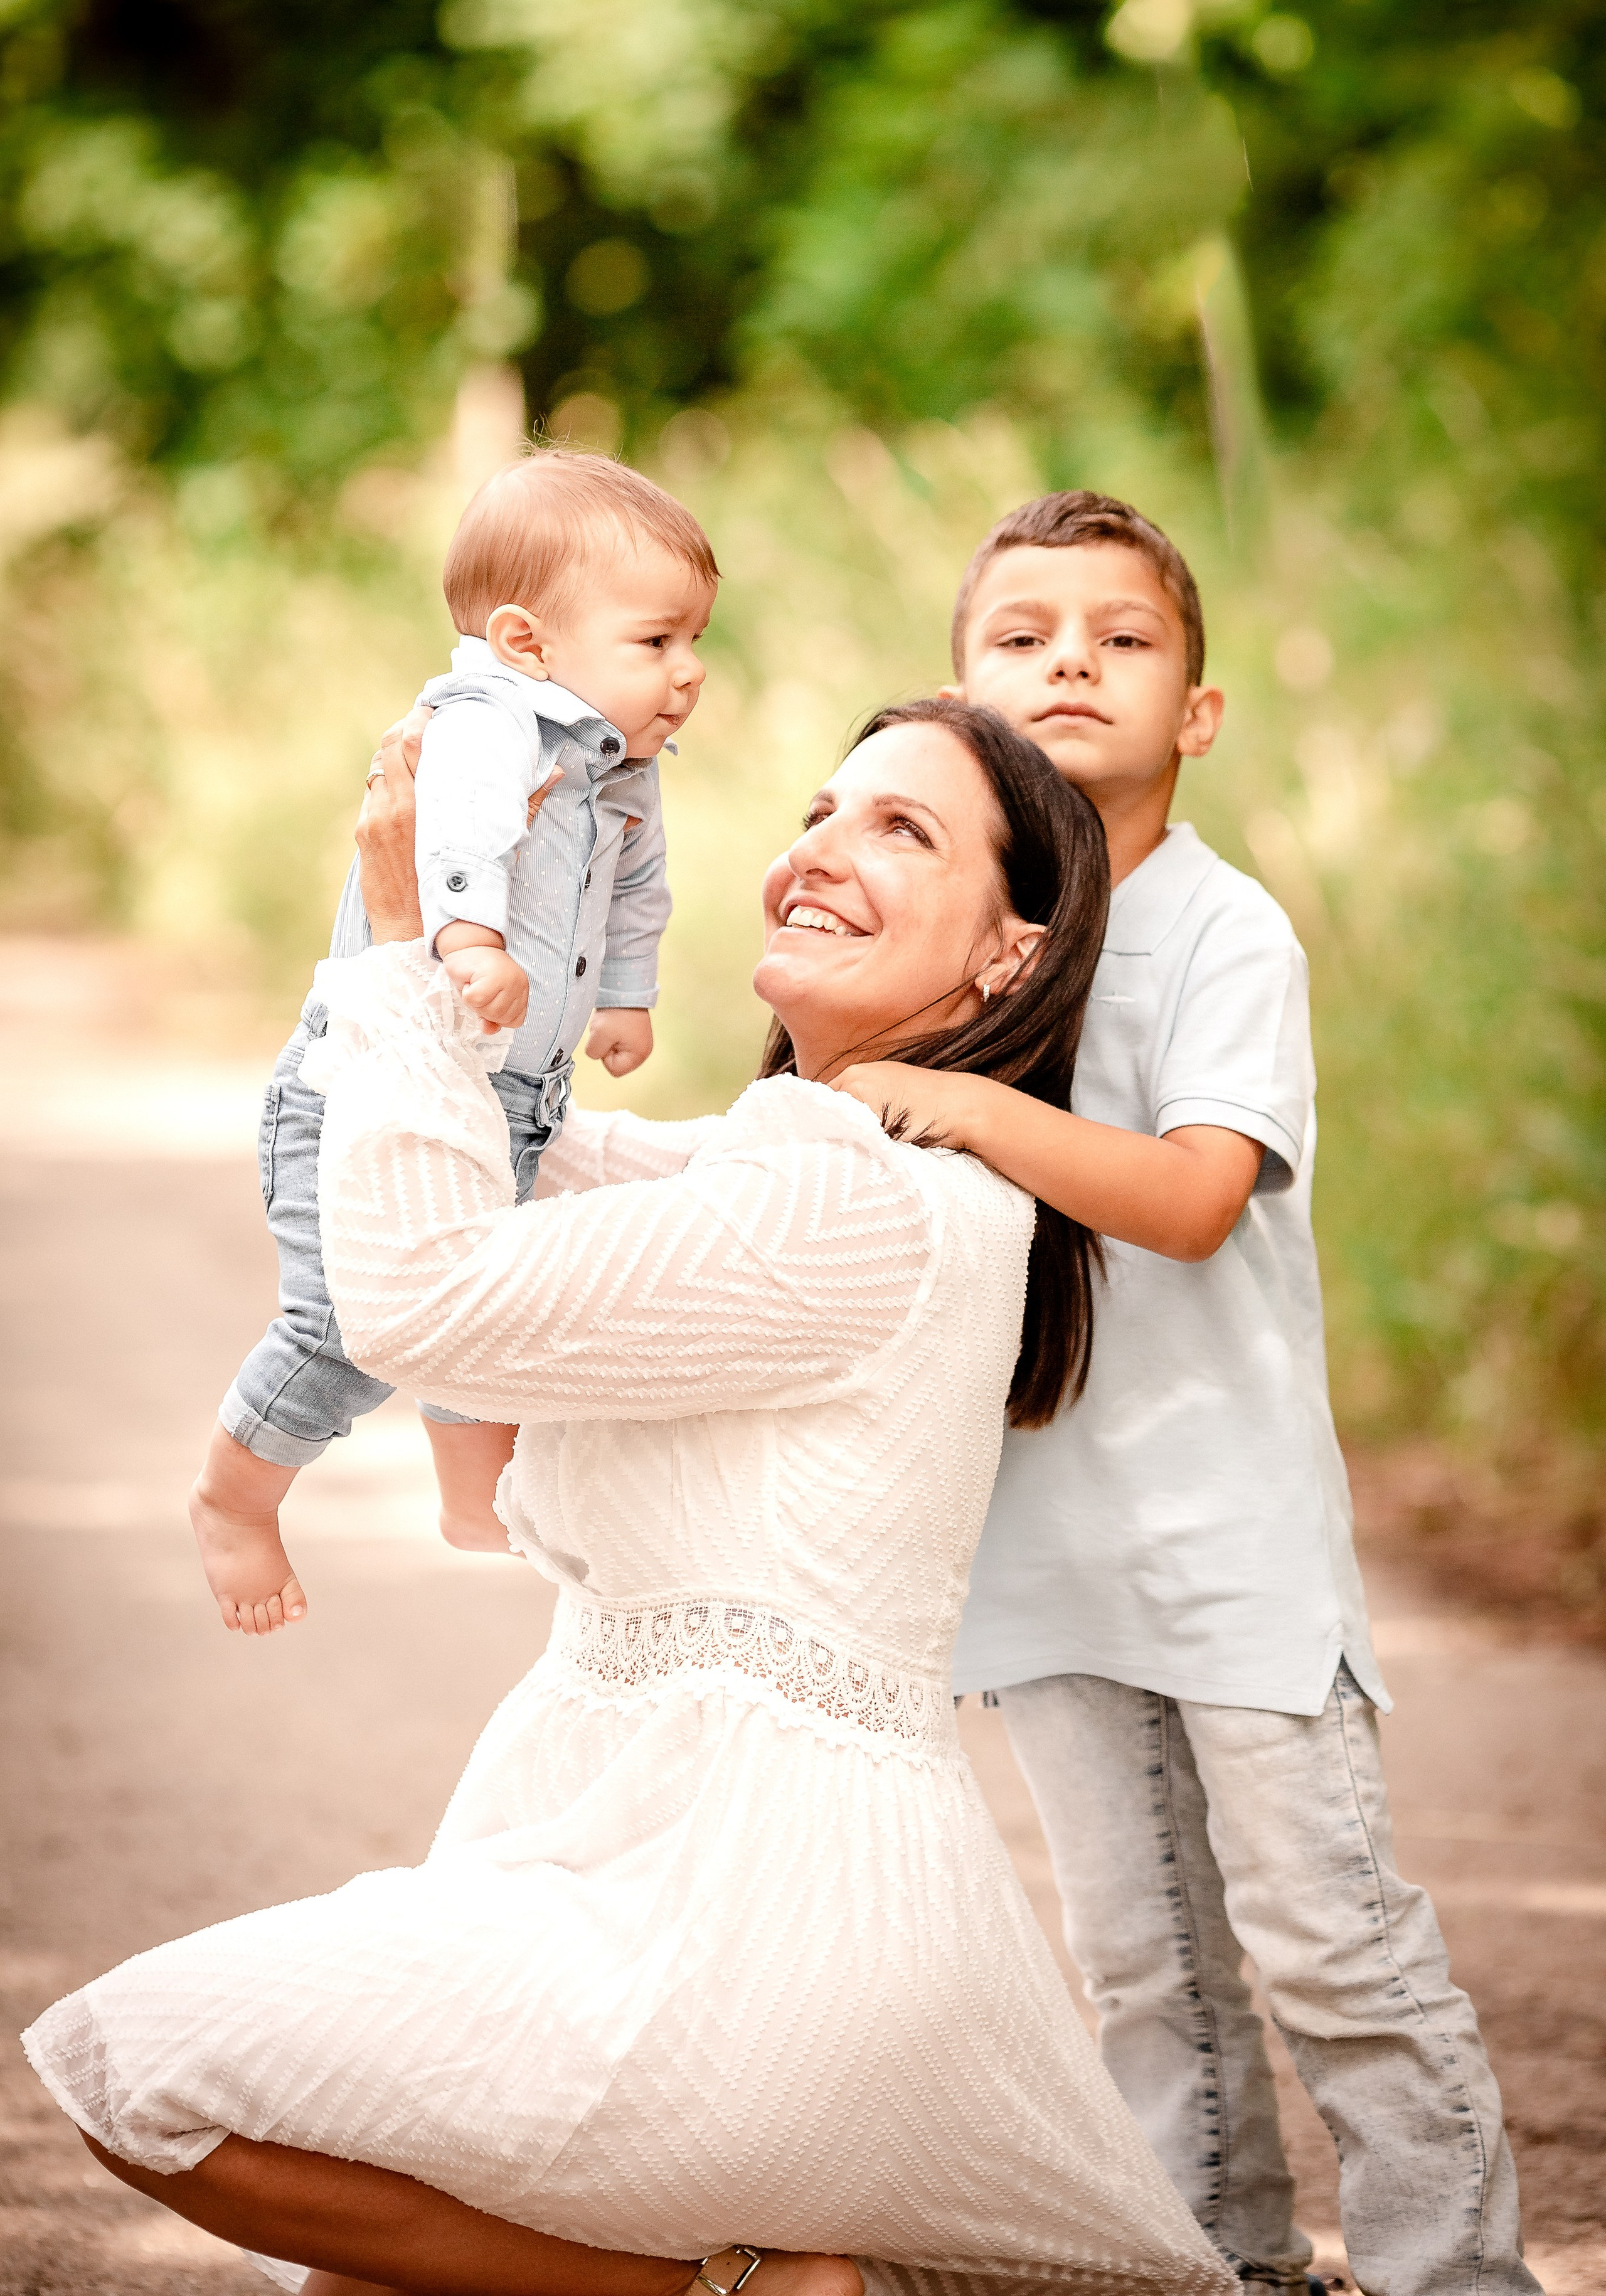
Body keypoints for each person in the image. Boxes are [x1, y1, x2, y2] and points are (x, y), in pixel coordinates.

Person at [24, 697, 1236, 2296]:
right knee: (369, 2273)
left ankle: (730, 2294)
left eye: (901, 829)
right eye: (823, 808)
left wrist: (401, 945)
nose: (818, 848)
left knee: (140, 2072)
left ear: (1009, 956)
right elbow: (449, 1152)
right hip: (652, 1859)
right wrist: (465, 911)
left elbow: (422, 1299)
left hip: (747, 1921)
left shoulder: (858, 1201)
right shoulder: (784, 1159)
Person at [831, 494, 1540, 2296]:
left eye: (1122, 638)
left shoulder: (1231, 933)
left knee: (1330, 1945)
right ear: (965, 699)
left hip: (1226, 1537)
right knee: (1141, 1955)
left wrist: (973, 1104)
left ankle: (1450, 2276)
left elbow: (1197, 1193)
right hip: (1038, 1534)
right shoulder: (973, 931)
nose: (1071, 658)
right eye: (1023, 636)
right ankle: (1224, 2265)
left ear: (1198, 714)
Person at [189, 447, 716, 1636]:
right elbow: (458, 830)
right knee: (345, 1327)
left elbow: (637, 891)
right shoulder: (490, 719)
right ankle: (234, 1496)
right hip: (362, 1086)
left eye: (695, 644)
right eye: (656, 642)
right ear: (528, 643)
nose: (687, 675)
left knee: (486, 1297)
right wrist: (470, 940)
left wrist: (626, 994)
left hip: (505, 1092)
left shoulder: (619, 768)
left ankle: (476, 1499)